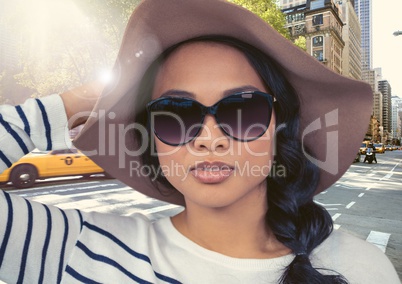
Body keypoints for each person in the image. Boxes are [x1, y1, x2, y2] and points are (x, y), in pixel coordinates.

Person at [0, 0, 399, 283]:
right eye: (176, 114)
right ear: (152, 137)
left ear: (282, 128)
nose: (210, 140)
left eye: (242, 111)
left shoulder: (363, 269)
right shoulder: (75, 248)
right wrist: (93, 96)